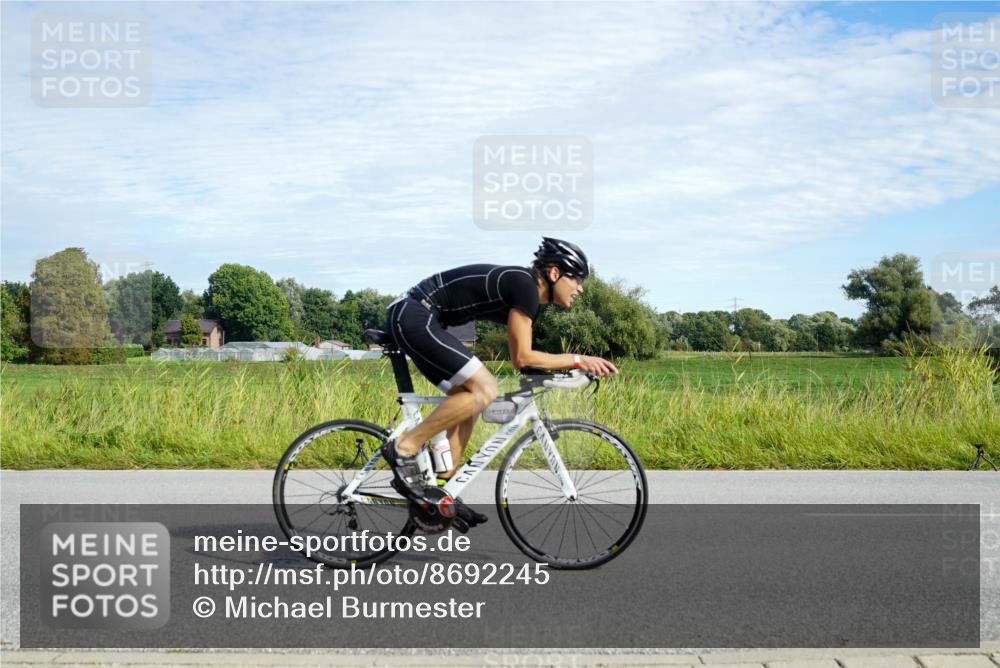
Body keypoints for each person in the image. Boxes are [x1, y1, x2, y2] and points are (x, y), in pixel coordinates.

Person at [381, 238, 618, 524]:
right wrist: (578, 360)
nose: (580, 289)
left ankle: (442, 492)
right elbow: (523, 357)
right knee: (485, 389)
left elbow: (526, 360)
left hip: (418, 318)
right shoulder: (525, 286)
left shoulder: (530, 297)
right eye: (577, 279)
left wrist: (561, 371)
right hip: (415, 315)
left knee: (468, 399)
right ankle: (405, 447)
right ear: (555, 274)